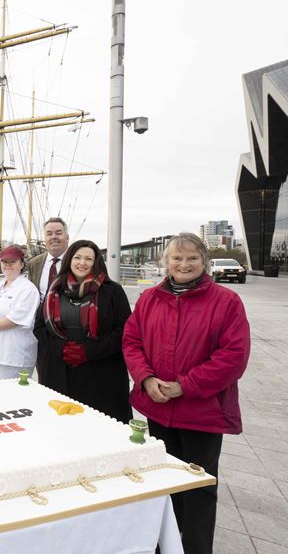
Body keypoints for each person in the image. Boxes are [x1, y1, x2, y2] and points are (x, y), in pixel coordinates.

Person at [123, 233, 250, 554]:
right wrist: (145, 378)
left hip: (202, 414)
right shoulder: (150, 298)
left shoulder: (226, 302)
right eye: (177, 258)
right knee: (164, 484)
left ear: (203, 261)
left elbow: (233, 356)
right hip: (158, 408)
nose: (184, 264)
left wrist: (186, 385)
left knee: (198, 491)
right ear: (166, 262)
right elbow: (132, 341)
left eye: (192, 258)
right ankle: (164, 545)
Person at [33, 239, 132, 422]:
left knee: (97, 424)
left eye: (88, 259)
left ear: (96, 263)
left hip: (100, 372)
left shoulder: (112, 291)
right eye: (77, 257)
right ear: (69, 260)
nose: (82, 262)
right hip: (58, 368)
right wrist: (61, 348)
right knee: (59, 424)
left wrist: (89, 350)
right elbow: (39, 327)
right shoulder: (55, 289)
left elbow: (125, 331)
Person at [0, 245, 39, 379]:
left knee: (9, 397)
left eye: (13, 262)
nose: (8, 265)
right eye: (4, 262)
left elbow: (16, 319)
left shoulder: (28, 289)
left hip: (12, 356)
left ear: (22, 264)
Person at [26, 217, 70, 300]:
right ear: (45, 239)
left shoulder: (77, 262)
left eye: (58, 233)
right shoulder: (33, 264)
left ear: (67, 238)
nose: (53, 237)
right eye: (49, 234)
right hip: (41, 311)